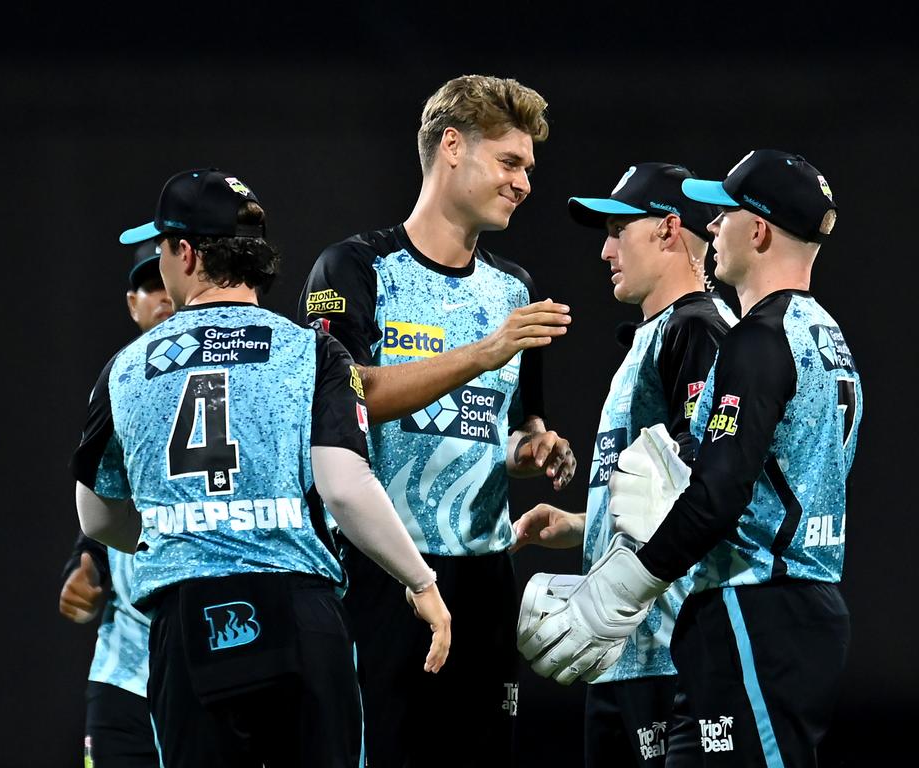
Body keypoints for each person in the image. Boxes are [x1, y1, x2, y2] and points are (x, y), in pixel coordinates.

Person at [71, 168, 452, 768]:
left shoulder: (124, 368)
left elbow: (95, 514)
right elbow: (345, 486)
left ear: (186, 253)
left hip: (186, 617)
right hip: (299, 612)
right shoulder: (312, 351)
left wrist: (164, 532)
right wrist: (421, 582)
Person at [521, 150, 860, 768]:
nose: (712, 225)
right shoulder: (822, 333)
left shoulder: (756, 338)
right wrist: (588, 529)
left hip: (753, 602)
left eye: (725, 212)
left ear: (757, 230)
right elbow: (758, 483)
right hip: (780, 605)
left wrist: (618, 589)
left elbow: (717, 491)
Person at [297, 74, 576, 768]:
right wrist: (483, 352)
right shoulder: (355, 268)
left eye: (529, 169)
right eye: (510, 162)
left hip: (484, 578)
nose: (524, 183)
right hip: (382, 573)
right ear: (451, 146)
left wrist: (533, 447)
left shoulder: (515, 290)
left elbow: (502, 427)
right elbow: (346, 399)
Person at [513, 162, 736, 767]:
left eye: (619, 230)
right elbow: (663, 492)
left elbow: (714, 490)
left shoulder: (697, 329)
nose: (607, 249)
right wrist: (587, 525)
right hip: (625, 654)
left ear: (669, 231)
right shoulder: (659, 333)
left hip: (669, 651)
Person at [59, 240, 174, 768]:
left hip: (211, 651)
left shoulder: (250, 380)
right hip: (126, 667)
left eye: (169, 278)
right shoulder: (118, 384)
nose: (164, 296)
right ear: (133, 304)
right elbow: (106, 505)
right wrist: (86, 563)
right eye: (151, 286)